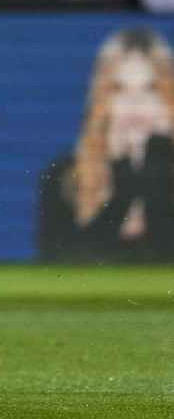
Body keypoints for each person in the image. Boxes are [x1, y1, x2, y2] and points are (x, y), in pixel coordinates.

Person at [39, 27, 174, 262]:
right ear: (102, 101)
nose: (135, 102)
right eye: (119, 89)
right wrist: (124, 186)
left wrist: (158, 163)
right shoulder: (64, 176)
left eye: (151, 89)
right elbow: (60, 269)